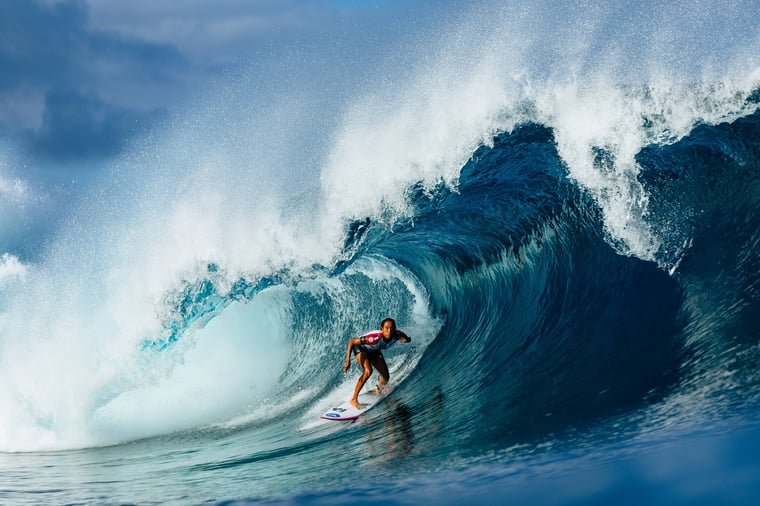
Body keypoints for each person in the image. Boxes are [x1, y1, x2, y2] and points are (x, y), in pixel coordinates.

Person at [343, 318, 411, 409]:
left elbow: (407, 338)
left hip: (373, 350)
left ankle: (378, 388)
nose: (389, 330)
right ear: (381, 328)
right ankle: (354, 399)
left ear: (395, 328)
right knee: (368, 371)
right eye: (386, 328)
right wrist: (348, 360)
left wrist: (406, 340)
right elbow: (352, 342)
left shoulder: (397, 334)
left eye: (391, 328)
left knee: (386, 377)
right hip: (361, 348)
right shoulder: (374, 338)